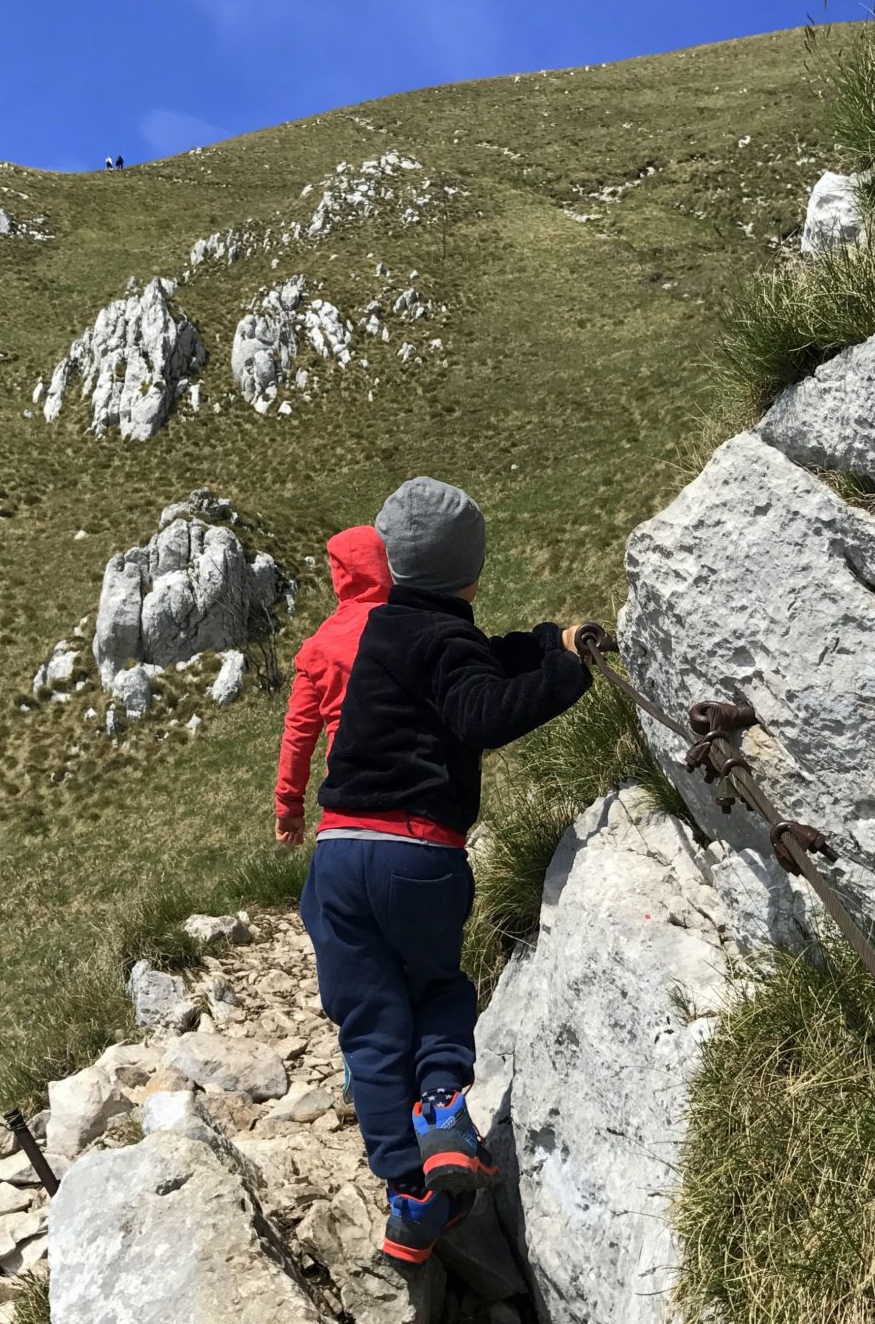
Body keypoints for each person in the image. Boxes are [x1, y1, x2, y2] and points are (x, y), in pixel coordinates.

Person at [293, 477, 592, 1267]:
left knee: (370, 1022)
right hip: (418, 854)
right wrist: (565, 671)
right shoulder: (449, 643)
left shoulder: (380, 634)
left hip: (336, 855)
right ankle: (441, 1113)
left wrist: (538, 641)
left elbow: (476, 661)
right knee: (434, 988)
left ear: (391, 566)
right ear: (474, 571)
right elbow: (481, 708)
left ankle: (410, 1199)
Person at [274, 524, 390, 845]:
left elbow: (298, 733)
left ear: (338, 573)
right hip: (420, 799)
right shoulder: (414, 623)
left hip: (347, 800)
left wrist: (289, 804)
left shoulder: (318, 646)